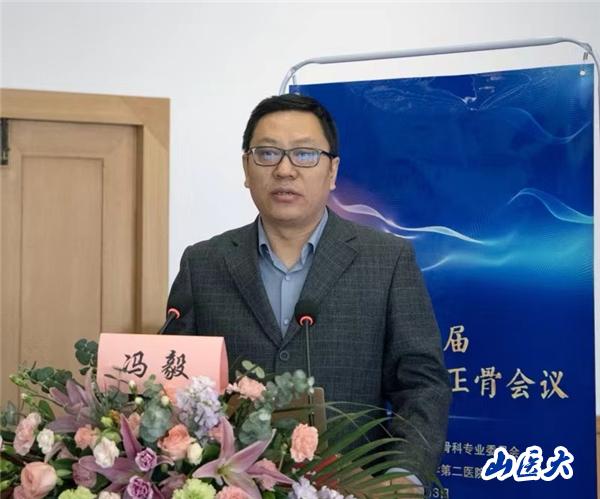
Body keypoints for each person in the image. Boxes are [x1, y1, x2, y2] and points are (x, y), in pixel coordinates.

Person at [165, 94, 451, 492]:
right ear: (246, 168)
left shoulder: (386, 260)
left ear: (332, 171)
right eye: (267, 153)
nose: (285, 170)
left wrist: (403, 475)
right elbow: (173, 382)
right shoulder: (204, 263)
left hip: (350, 488)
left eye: (304, 154)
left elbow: (422, 384)